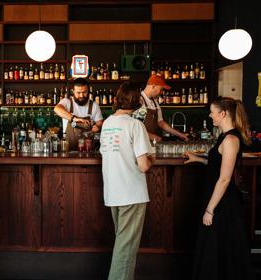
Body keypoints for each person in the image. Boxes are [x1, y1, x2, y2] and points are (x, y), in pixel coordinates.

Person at [184, 96, 254, 280]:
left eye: (212, 112)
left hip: (223, 204)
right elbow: (218, 164)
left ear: (222, 114)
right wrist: (198, 158)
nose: (210, 115)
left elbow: (224, 179)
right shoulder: (225, 137)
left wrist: (210, 210)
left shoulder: (231, 139)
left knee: (217, 250)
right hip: (216, 200)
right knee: (214, 249)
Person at [100, 82, 155, 280]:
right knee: (126, 249)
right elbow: (144, 165)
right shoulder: (135, 125)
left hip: (113, 194)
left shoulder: (107, 124)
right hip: (131, 193)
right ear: (136, 101)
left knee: (123, 244)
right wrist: (152, 156)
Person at [135, 74, 188, 142]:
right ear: (153, 86)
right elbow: (136, 127)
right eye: (161, 89)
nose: (162, 92)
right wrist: (151, 136)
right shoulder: (140, 101)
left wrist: (179, 135)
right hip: (140, 143)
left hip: (151, 143)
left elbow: (161, 123)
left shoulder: (155, 102)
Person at [54, 78, 103, 149]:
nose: (81, 95)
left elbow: (100, 123)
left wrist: (98, 127)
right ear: (73, 91)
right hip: (68, 149)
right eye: (78, 93)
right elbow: (56, 109)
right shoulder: (67, 102)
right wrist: (74, 118)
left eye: (84, 92)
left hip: (87, 150)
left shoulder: (94, 105)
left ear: (88, 91)